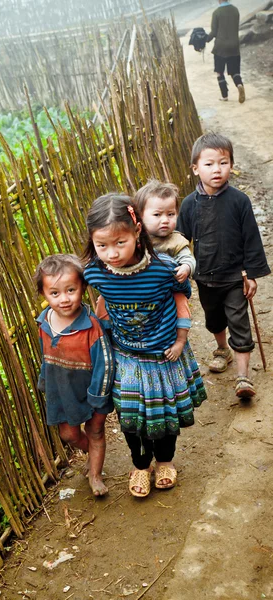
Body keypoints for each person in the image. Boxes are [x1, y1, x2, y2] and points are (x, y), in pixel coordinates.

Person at [83, 193, 206, 498]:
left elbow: (181, 303)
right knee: (131, 419)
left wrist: (180, 339)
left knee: (165, 416)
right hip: (127, 358)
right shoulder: (95, 272)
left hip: (164, 356)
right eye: (102, 245)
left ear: (137, 232)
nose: (111, 253)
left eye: (119, 243)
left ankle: (164, 461)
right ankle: (140, 465)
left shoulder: (164, 270)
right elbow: (97, 303)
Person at [177, 132, 270, 398]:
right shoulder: (188, 204)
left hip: (235, 276)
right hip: (205, 276)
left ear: (231, 164)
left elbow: (251, 238)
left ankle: (243, 377)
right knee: (214, 319)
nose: (217, 169)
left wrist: (252, 274)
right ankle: (221, 349)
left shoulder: (239, 201)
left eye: (223, 162)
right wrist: (181, 268)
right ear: (196, 168)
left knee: (239, 322)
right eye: (209, 164)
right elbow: (180, 242)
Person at [34, 254, 115, 497]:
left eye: (71, 290)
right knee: (68, 434)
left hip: (93, 390)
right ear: (44, 295)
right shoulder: (45, 322)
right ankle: (92, 453)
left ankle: (96, 475)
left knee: (95, 431)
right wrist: (45, 381)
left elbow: (106, 364)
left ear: (82, 287)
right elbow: (45, 355)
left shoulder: (91, 326)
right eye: (55, 293)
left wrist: (98, 396)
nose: (65, 299)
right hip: (62, 390)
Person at [134, 179, 196, 361]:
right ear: (140, 216)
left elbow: (188, 258)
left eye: (170, 214)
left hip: (169, 291)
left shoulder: (176, 240)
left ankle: (180, 341)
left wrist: (185, 267)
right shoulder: (136, 240)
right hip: (140, 291)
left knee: (181, 305)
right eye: (157, 215)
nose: (165, 220)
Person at [206, 0, 245, 103]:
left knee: (219, 72)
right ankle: (239, 85)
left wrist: (206, 39)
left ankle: (225, 96)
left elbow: (214, 32)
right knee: (235, 71)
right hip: (234, 46)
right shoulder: (235, 10)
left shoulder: (216, 12)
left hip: (220, 47)